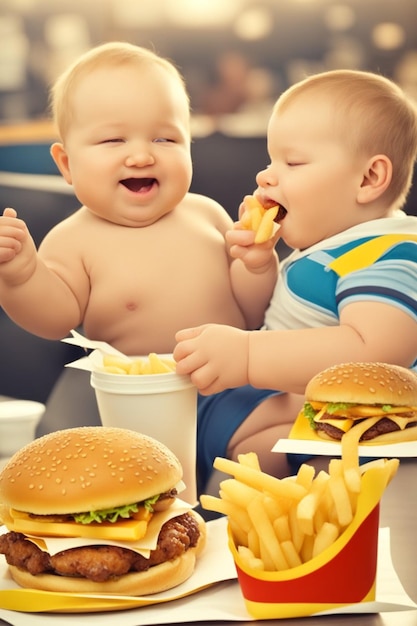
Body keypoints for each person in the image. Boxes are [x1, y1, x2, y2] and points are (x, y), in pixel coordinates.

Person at [0, 42, 277, 433]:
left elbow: (252, 313)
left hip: (228, 386)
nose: (142, 156)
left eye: (165, 139)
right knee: (69, 453)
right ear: (66, 163)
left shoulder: (208, 214)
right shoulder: (73, 240)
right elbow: (53, 319)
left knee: (272, 436)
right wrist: (21, 275)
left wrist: (257, 264)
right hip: (130, 402)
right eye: (114, 140)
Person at [174, 69, 417, 491]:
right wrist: (258, 266)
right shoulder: (332, 245)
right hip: (285, 408)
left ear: (368, 179)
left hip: (346, 432)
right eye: (271, 161)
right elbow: (269, 313)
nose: (266, 176)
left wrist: (248, 355)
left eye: (293, 162)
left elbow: (375, 351)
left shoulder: (390, 252)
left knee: (244, 475)